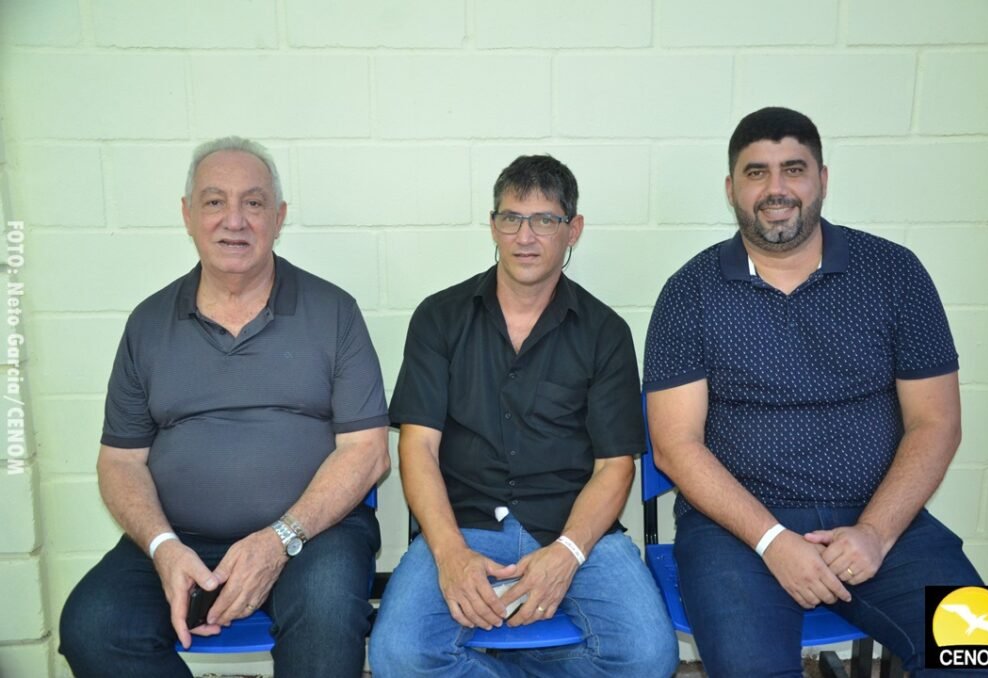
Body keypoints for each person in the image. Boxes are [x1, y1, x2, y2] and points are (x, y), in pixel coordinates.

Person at [644, 107, 988, 677]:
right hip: (737, 532)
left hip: (883, 519)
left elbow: (937, 423)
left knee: (987, 659)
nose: (776, 188)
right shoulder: (688, 292)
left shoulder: (896, 273)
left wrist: (875, 533)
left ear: (822, 178)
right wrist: (773, 541)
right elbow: (675, 446)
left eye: (793, 169)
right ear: (731, 189)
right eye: (756, 172)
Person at [59, 137, 390, 678]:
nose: (234, 220)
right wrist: (163, 546)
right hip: (180, 538)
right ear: (187, 215)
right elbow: (119, 461)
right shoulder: (148, 324)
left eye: (253, 203)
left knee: (327, 615)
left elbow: (368, 452)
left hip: (311, 536)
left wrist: (280, 538)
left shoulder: (334, 312)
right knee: (94, 627)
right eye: (214, 201)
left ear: (278, 217)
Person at [370, 155, 679, 677]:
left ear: (573, 230)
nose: (525, 236)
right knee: (398, 656)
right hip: (462, 526)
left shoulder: (605, 332)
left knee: (648, 657)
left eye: (544, 220)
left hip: (575, 529)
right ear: (493, 225)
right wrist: (449, 553)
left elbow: (615, 468)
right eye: (511, 218)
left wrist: (567, 553)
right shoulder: (439, 318)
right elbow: (417, 447)